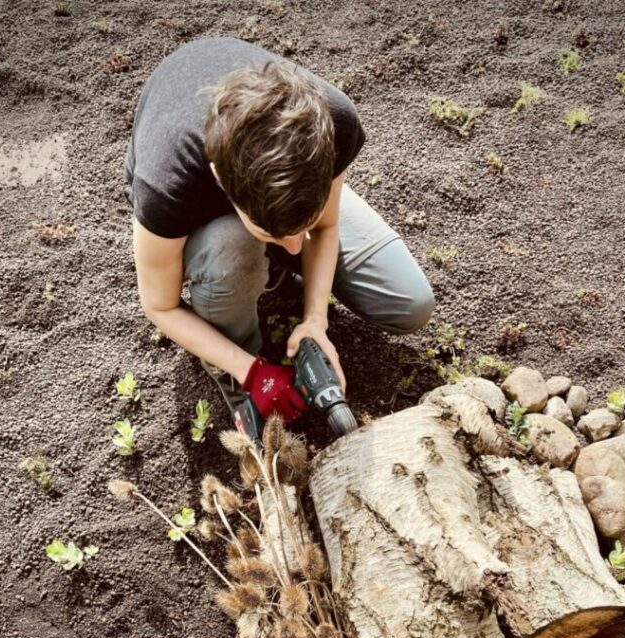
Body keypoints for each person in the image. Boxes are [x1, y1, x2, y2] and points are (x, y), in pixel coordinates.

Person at [124, 36, 435, 423]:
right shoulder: (166, 183)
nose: (293, 249)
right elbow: (160, 304)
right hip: (203, 204)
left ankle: (278, 232)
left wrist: (315, 321)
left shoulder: (334, 122)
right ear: (221, 182)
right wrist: (250, 371)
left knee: (409, 303)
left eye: (299, 228)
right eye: (274, 235)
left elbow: (326, 225)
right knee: (229, 249)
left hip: (275, 181)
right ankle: (237, 365)